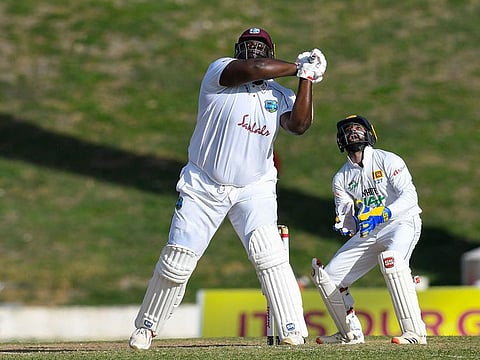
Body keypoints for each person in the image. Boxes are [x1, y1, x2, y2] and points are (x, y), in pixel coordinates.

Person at [129, 27, 327, 350]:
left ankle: (292, 328)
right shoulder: (219, 72)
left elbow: (300, 125)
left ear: (270, 50)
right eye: (248, 46)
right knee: (177, 261)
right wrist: (297, 67)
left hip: (254, 188)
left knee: (271, 255)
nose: (253, 51)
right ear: (237, 51)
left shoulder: (278, 95)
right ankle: (147, 327)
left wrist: (306, 79)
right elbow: (254, 70)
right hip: (203, 184)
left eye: (260, 46)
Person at [311, 114, 427, 345]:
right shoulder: (341, 178)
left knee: (392, 261)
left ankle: (415, 333)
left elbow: (410, 197)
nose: (353, 132)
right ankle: (350, 334)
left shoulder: (388, 160)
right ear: (340, 139)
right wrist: (345, 224)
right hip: (369, 231)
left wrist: (383, 213)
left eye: (358, 128)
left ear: (369, 133)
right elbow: (345, 214)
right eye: (348, 130)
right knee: (329, 278)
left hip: (401, 223)